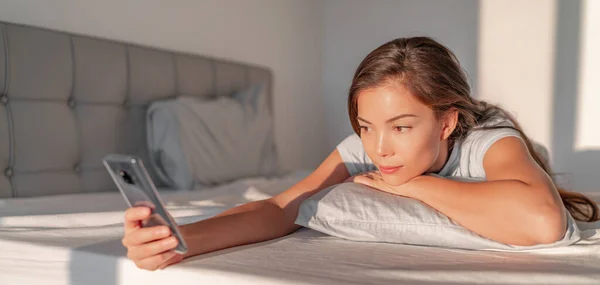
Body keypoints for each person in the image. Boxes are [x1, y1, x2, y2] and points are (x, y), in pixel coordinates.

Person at [120, 37, 599, 271]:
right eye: (366, 126)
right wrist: (181, 239)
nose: (379, 149)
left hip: (516, 156)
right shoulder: (365, 149)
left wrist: (409, 184)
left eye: (402, 127)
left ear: (447, 121)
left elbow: (543, 222)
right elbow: (278, 208)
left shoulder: (488, 139)